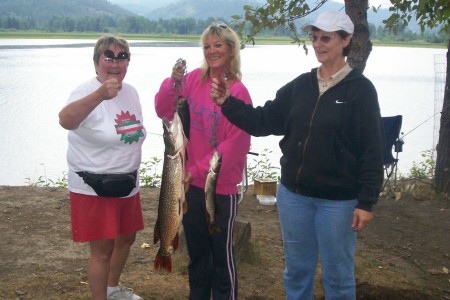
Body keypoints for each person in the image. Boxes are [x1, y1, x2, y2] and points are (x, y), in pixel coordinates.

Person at [211, 11, 384, 300]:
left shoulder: (361, 91)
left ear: (346, 40)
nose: (318, 44)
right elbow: (264, 120)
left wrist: (366, 202)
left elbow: (372, 149)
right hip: (294, 197)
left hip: (338, 202)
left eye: (326, 38)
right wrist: (228, 104)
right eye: (314, 37)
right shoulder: (300, 86)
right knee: (296, 272)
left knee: (338, 276)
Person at [154, 21, 252, 300]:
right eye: (207, 46)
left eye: (218, 44)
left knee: (221, 257)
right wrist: (173, 82)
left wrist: (195, 169)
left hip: (218, 189)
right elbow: (163, 109)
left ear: (231, 49)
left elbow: (233, 146)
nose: (212, 51)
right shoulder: (193, 79)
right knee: (197, 254)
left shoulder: (239, 93)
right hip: (187, 185)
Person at [59, 36, 146, 300]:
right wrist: (99, 95)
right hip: (93, 186)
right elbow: (66, 120)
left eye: (122, 57)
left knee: (126, 239)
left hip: (127, 183)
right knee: (102, 249)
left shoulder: (130, 92)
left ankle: (112, 289)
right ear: (97, 63)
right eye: (108, 56)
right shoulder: (84, 91)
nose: (115, 62)